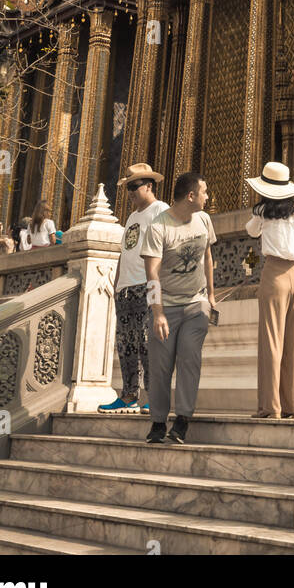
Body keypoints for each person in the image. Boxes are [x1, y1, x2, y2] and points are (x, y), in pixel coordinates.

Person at [141, 171, 218, 445]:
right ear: (190, 196)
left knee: (189, 358)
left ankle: (183, 420)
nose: (207, 197)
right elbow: (151, 272)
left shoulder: (204, 220)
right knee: (161, 366)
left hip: (196, 304)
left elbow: (208, 256)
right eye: (204, 192)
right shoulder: (159, 227)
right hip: (167, 306)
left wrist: (210, 294)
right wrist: (158, 312)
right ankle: (159, 422)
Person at [99, 162, 169, 414]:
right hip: (126, 288)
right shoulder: (131, 217)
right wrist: (117, 283)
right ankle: (128, 395)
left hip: (147, 285)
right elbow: (125, 252)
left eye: (134, 186)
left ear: (149, 186)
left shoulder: (161, 210)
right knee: (126, 342)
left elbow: (168, 248)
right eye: (127, 187)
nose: (130, 191)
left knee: (148, 342)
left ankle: (154, 396)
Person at [245, 161, 294, 419]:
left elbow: (250, 232)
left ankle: (270, 407)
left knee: (272, 342)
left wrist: (261, 213)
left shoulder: (262, 212)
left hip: (274, 274)